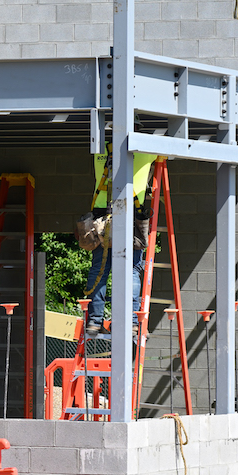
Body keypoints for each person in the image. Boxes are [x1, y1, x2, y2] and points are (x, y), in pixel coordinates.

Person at [76, 145, 158, 338]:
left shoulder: (100, 151)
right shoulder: (146, 150)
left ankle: (95, 322)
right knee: (132, 270)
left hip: (100, 217)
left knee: (99, 270)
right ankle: (130, 321)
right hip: (130, 214)